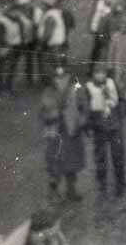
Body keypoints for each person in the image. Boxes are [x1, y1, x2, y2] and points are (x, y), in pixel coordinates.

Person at [40, 61, 88, 203]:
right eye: (57, 75)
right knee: (55, 163)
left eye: (64, 75)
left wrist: (82, 120)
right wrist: (52, 114)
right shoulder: (48, 90)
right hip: (55, 132)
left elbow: (84, 105)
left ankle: (71, 189)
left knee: (72, 161)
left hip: (72, 130)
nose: (61, 79)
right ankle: (53, 191)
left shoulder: (76, 88)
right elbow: (43, 110)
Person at [84, 64, 126, 196]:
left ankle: (120, 182)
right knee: (100, 156)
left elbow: (121, 99)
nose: (100, 75)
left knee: (118, 155)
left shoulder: (112, 83)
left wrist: (120, 113)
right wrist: (88, 125)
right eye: (97, 73)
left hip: (114, 125)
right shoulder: (88, 88)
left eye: (103, 73)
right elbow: (86, 108)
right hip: (99, 127)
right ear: (93, 75)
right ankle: (102, 183)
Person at [38, 0, 72, 83]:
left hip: (52, 44)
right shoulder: (57, 13)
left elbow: (48, 32)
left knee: (52, 64)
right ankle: (59, 81)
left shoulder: (50, 15)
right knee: (58, 63)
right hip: (58, 43)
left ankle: (54, 83)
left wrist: (42, 43)